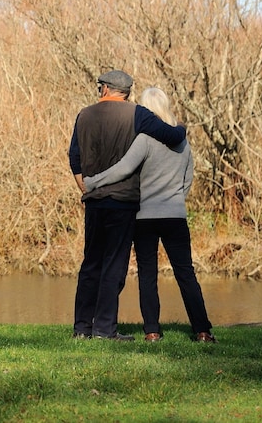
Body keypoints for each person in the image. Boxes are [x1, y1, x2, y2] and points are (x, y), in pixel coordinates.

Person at [82, 87, 216, 343]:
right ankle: (202, 330)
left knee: (147, 274)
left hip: (144, 216)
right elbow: (188, 179)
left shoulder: (144, 139)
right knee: (185, 273)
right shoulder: (182, 142)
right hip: (175, 215)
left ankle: (152, 331)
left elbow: (123, 170)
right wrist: (175, 200)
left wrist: (94, 181)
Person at [68, 70, 186, 341]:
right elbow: (172, 136)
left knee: (91, 264)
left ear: (106, 89)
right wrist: (182, 128)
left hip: (94, 202)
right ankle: (105, 330)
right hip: (123, 202)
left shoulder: (83, 115)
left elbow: (74, 156)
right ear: (128, 92)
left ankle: (82, 328)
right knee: (114, 265)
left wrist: (84, 186)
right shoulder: (138, 115)